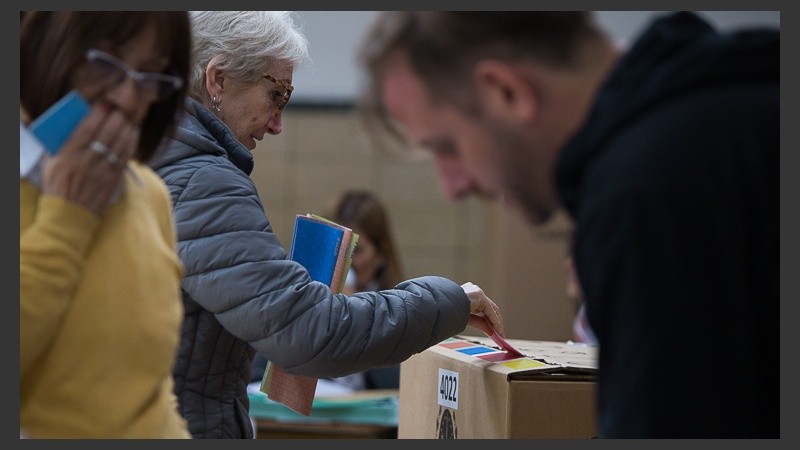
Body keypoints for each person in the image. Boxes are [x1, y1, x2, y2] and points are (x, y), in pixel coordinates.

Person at [357, 11, 778, 438]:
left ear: (506, 92)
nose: (453, 187)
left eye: (447, 147)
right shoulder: (731, 103)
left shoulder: (646, 194)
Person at [147, 11, 504, 439]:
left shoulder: (152, 155)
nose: (279, 124)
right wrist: (448, 301)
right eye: (276, 94)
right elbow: (310, 332)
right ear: (217, 80)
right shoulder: (203, 181)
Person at [20, 11, 192, 438]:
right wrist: (66, 219)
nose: (129, 100)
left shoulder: (149, 193)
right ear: (49, 47)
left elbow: (150, 387)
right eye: (107, 62)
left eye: (151, 77)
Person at [330, 189, 406, 390]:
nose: (347, 261)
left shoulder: (398, 307)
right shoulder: (320, 298)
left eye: (356, 251)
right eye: (340, 249)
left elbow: (393, 381)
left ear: (380, 254)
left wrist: (360, 313)